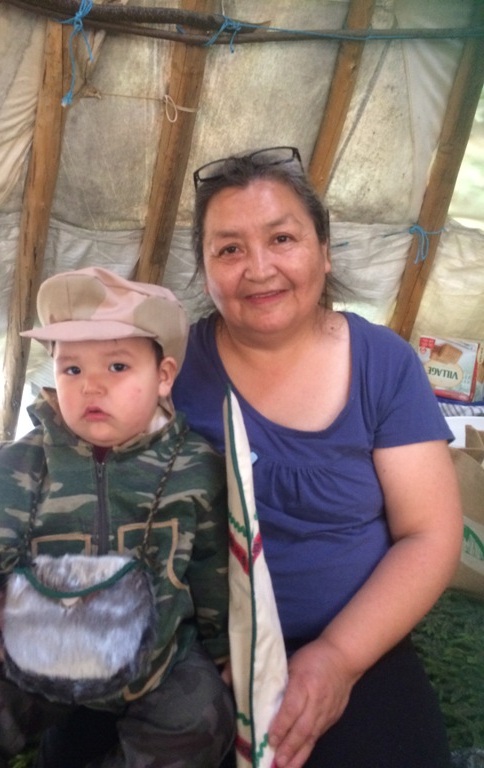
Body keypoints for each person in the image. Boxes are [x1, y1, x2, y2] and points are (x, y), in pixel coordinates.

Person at [170, 145, 463, 768]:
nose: (258, 268)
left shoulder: (382, 363)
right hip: (194, 647)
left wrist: (338, 660)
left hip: (357, 637)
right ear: (204, 269)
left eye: (282, 238)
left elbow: (429, 533)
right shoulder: (165, 369)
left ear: (324, 251)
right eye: (229, 248)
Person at [0, 266, 234, 768]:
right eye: (72, 369)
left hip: (156, 659)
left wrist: (224, 650)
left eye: (118, 367)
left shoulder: (196, 468)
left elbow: (216, 571)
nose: (91, 387)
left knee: (200, 719)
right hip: (30, 650)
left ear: (164, 375)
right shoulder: (18, 461)